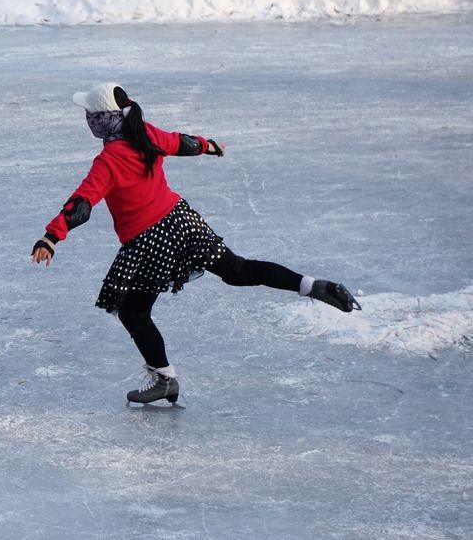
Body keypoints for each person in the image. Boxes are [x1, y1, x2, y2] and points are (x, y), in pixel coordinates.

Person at [31, 83, 360, 405]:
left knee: (133, 312)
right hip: (182, 221)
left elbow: (83, 202)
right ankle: (312, 285)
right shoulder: (144, 132)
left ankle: (164, 380)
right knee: (237, 269)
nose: (86, 119)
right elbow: (180, 143)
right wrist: (208, 145)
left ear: (101, 120)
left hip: (148, 241)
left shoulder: (108, 161)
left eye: (89, 113)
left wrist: (51, 235)